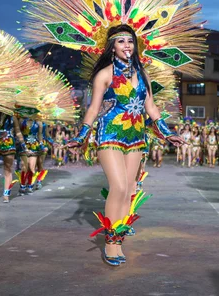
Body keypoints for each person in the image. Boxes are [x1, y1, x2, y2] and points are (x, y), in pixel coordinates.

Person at [67, 25, 183, 266]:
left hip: (136, 137)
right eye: (120, 41)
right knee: (118, 186)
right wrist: (82, 136)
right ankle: (110, 242)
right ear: (112, 47)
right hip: (109, 134)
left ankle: (118, 238)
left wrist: (167, 133)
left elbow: (150, 108)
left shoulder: (143, 75)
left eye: (130, 41)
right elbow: (93, 108)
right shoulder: (104, 75)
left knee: (129, 189)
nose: (126, 45)